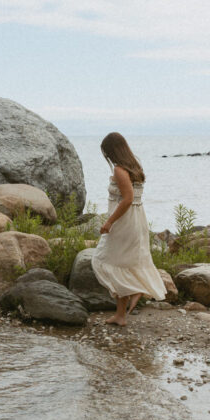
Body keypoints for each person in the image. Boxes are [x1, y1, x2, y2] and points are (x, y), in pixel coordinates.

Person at [91, 132, 165, 326]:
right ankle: (121, 315)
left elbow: (128, 199)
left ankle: (134, 289)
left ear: (111, 151)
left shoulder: (119, 170)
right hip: (136, 219)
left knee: (101, 259)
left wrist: (109, 222)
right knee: (122, 263)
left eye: (105, 152)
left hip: (124, 221)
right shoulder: (135, 166)